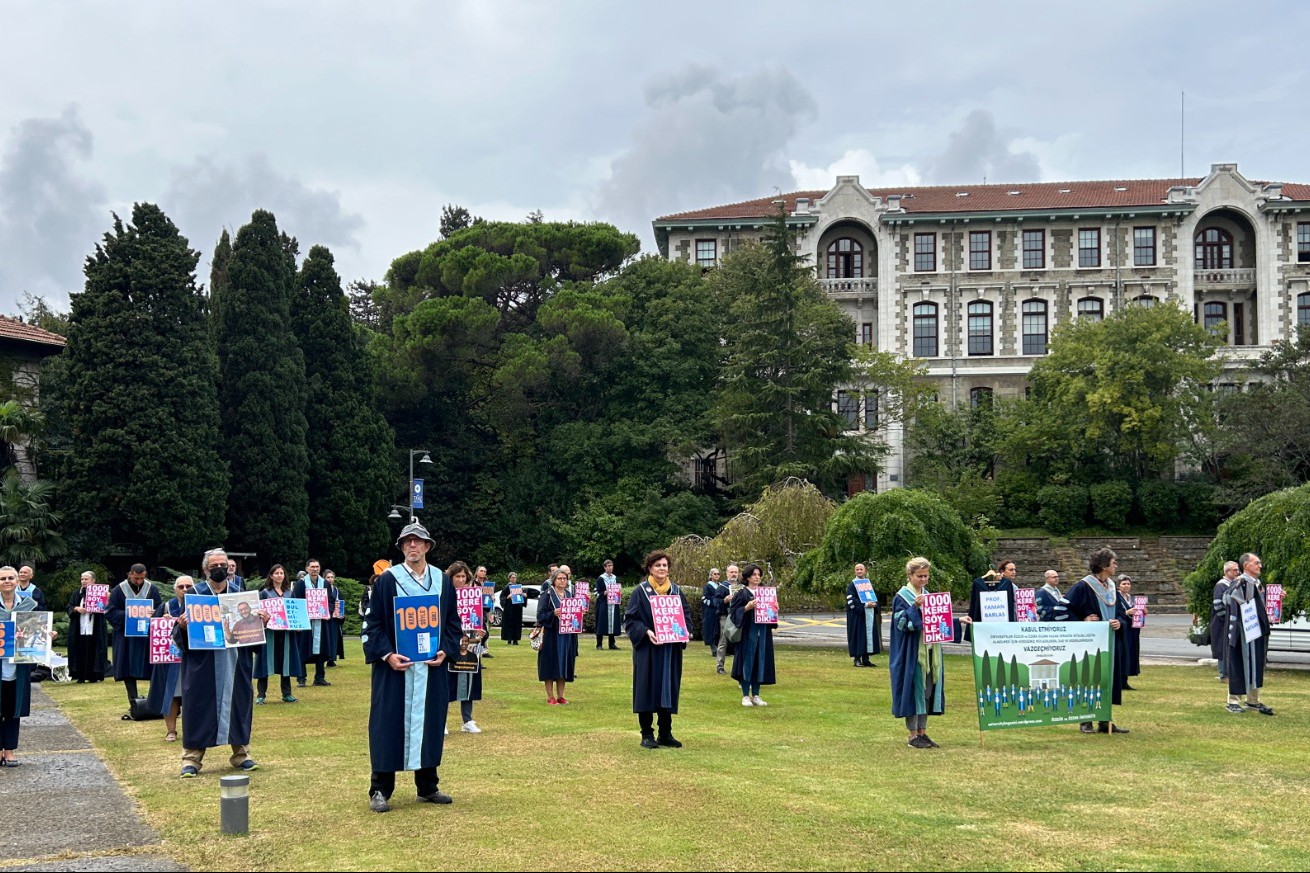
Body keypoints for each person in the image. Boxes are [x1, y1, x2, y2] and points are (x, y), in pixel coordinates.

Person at [363, 522, 460, 812]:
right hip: (396, 668)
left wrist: (446, 650)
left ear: (427, 546)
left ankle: (427, 786)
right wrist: (387, 655)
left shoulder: (442, 581)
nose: (412, 546)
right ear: (402, 547)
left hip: (430, 668)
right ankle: (380, 788)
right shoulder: (387, 581)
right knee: (387, 724)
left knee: (430, 722)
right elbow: (373, 625)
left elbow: (452, 623)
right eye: (407, 542)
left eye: (418, 542)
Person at [174, 548, 265, 776]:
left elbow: (251, 634)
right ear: (206, 569)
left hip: (235, 662)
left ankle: (241, 754)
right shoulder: (194, 595)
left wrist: (261, 622)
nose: (219, 569)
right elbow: (180, 636)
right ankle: (192, 759)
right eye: (214, 566)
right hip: (203, 663)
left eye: (223, 565)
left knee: (239, 704)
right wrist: (183, 626)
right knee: (198, 705)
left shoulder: (239, 595)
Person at [889, 557, 970, 749]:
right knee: (913, 692)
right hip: (912, 653)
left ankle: (922, 732)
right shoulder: (901, 597)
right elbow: (900, 624)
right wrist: (914, 607)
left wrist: (957, 621)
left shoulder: (930, 596)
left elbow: (939, 620)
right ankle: (912, 735)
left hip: (931, 652)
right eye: (920, 576)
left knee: (927, 693)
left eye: (926, 576)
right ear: (910, 575)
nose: (924, 579)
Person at [624, 550, 689, 749]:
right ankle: (646, 733)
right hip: (648, 649)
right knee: (646, 688)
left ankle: (665, 732)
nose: (662, 568)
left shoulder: (676, 592)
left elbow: (686, 616)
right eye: (658, 565)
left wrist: (686, 631)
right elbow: (630, 619)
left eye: (665, 565)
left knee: (667, 689)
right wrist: (645, 632)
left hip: (670, 649)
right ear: (650, 568)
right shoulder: (640, 592)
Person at [1064, 547, 1130, 734]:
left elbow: (1121, 613)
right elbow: (1062, 610)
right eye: (1113, 562)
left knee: (1107, 679)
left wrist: (1120, 622)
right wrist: (1082, 620)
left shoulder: (1111, 587)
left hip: (1110, 642)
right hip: (1090, 644)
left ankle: (1104, 720)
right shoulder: (1083, 586)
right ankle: (1085, 720)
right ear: (1103, 566)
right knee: (1089, 678)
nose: (1116, 565)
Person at [1, 565, 54, 767]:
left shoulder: (30, 605)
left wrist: (47, 635)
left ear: (17, 581)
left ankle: (10, 750)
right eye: (2, 578)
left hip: (19, 668)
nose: (7, 581)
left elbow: (39, 629)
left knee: (13, 710)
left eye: (10, 578)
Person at [107, 563, 163, 712]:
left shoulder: (152, 589)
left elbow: (159, 608)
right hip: (126, 636)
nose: (139, 581)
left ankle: (153, 702)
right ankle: (133, 701)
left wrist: (154, 613)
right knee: (127, 667)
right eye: (136, 578)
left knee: (152, 667)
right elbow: (110, 611)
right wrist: (130, 615)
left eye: (142, 578)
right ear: (129, 574)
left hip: (146, 635)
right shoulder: (119, 590)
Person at [1223, 552, 1274, 716]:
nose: (1260, 566)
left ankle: (1253, 701)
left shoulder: (1257, 583)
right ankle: (1233, 701)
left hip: (1256, 630)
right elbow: (1227, 599)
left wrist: (1275, 599)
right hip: (1243, 631)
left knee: (1256, 664)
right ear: (1247, 565)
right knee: (1239, 663)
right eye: (1256, 563)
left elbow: (1260, 605)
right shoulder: (1240, 582)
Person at [146, 576, 193, 742]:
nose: (185, 589)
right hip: (169, 659)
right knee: (170, 694)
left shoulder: (199, 606)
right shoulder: (166, 606)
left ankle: (191, 730)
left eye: (188, 586)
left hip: (192, 659)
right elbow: (150, 631)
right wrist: (160, 621)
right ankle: (171, 731)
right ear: (175, 589)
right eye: (181, 586)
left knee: (192, 695)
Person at [445, 562, 486, 734]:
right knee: (447, 683)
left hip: (470, 646)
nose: (461, 580)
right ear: (451, 578)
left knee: (469, 682)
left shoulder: (474, 597)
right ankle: (442, 721)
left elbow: (479, 620)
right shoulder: (444, 596)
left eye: (463, 577)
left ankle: (467, 720)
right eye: (457, 576)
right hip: (450, 645)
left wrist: (481, 632)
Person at [256, 564, 305, 704]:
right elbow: (259, 613)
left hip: (286, 634)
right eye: (276, 573)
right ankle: (261, 694)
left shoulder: (290, 593)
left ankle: (287, 693)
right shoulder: (265, 593)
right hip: (270, 633)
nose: (279, 576)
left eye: (281, 573)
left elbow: (295, 612)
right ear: (271, 576)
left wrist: (298, 624)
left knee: (286, 662)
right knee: (265, 662)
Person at [730, 563, 775, 707]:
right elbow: (733, 613)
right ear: (748, 577)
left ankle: (756, 694)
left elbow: (771, 615)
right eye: (754, 574)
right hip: (748, 634)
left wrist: (774, 609)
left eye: (759, 575)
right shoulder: (742, 593)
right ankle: (745, 695)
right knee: (747, 663)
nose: (757, 577)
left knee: (759, 663)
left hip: (763, 633)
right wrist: (746, 608)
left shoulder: (766, 593)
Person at [537, 568, 577, 704]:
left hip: (566, 635)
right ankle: (550, 696)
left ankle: (560, 695)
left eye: (564, 579)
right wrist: (552, 613)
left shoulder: (569, 595)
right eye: (560, 578)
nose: (562, 581)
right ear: (553, 580)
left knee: (564, 664)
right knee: (549, 664)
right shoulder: (546, 595)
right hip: (551, 635)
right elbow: (540, 616)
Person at [294, 558, 336, 687]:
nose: (315, 569)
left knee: (321, 650)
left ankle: (319, 676)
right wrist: (299, 621)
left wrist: (328, 612)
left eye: (317, 567)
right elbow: (296, 602)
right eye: (312, 567)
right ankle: (301, 677)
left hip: (322, 622)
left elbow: (331, 601)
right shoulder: (301, 584)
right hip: (306, 623)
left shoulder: (325, 584)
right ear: (307, 568)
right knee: (303, 649)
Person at [66, 570, 110, 683]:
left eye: (86, 579)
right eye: (82, 579)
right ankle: (79, 675)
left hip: (94, 626)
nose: (83, 581)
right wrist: (76, 609)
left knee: (94, 649)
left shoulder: (101, 593)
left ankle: (93, 675)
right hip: (80, 627)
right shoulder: (76, 593)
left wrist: (106, 599)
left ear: (93, 581)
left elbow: (105, 608)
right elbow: (69, 606)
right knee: (79, 650)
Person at [968, 561, 1018, 636]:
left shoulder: (1011, 586)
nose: (1014, 572)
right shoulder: (980, 583)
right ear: (1002, 571)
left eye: (1015, 570)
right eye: (1011, 570)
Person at [845, 562, 881, 668]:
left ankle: (866, 659)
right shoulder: (852, 585)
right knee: (858, 636)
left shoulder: (868, 584)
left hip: (868, 615)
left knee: (867, 636)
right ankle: (857, 659)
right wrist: (865, 605)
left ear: (865, 570)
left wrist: (874, 604)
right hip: (858, 616)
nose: (859, 571)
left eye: (861, 569)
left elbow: (873, 597)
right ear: (855, 571)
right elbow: (851, 600)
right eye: (857, 569)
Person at [1210, 561, 1239, 680]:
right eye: (1234, 570)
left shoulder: (1234, 584)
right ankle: (1223, 673)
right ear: (1227, 572)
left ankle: (1231, 672)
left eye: (1238, 570)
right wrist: (1226, 618)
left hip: (1229, 622)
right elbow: (1218, 605)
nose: (1238, 572)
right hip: (1220, 622)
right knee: (1222, 647)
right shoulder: (1221, 585)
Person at [713, 564, 742, 676]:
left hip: (738, 616)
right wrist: (724, 600)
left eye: (735, 572)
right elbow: (715, 602)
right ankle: (720, 666)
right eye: (731, 572)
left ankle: (738, 666)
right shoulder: (722, 587)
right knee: (723, 640)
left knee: (739, 640)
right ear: (727, 573)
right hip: (726, 616)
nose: (733, 574)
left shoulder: (742, 587)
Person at [1117, 575, 1144, 687]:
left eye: (1128, 584)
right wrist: (1127, 612)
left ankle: (1125, 681)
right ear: (1118, 586)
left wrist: (1142, 612)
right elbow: (1116, 612)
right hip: (1122, 629)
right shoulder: (1116, 598)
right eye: (1124, 584)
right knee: (1123, 653)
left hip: (1133, 629)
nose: (1126, 586)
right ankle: (1119, 681)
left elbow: (1140, 613)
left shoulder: (1132, 598)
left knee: (1131, 653)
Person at [594, 559, 622, 650]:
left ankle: (612, 643)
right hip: (603, 604)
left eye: (611, 565)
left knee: (612, 623)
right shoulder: (601, 579)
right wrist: (603, 593)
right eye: (608, 566)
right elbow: (596, 592)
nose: (610, 567)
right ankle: (599, 644)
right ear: (605, 567)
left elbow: (618, 588)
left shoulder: (615, 578)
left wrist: (619, 593)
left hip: (613, 604)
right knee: (601, 623)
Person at [701, 567, 724, 653]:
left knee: (719, 628)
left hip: (719, 610)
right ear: (711, 575)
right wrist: (714, 603)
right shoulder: (708, 586)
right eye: (715, 574)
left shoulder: (721, 586)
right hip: (710, 611)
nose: (717, 575)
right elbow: (704, 598)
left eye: (718, 574)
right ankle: (712, 646)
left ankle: (720, 646)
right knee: (711, 627)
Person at [325, 569, 345, 666]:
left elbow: (341, 603)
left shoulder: (337, 590)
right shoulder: (322, 590)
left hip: (335, 619)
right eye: (328, 577)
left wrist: (342, 614)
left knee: (334, 639)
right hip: (326, 618)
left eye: (332, 577)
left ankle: (332, 659)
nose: (330, 579)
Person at [500, 571, 525, 645]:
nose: (514, 579)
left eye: (515, 577)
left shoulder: (518, 586)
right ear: (509, 578)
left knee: (517, 623)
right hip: (509, 608)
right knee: (509, 624)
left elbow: (521, 596)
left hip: (517, 608)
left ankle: (516, 639)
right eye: (512, 577)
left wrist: (522, 595)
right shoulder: (507, 586)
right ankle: (509, 639)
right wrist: (508, 597)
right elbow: (502, 596)